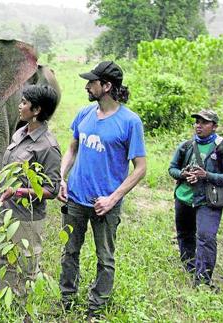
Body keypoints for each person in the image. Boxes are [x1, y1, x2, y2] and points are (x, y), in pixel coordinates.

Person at [57, 61, 147, 317]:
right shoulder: (84, 113)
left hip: (104, 203)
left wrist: (113, 198)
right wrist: (62, 177)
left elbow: (140, 168)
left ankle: (96, 307)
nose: (87, 86)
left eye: (92, 82)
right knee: (69, 251)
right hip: (75, 197)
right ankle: (67, 299)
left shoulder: (130, 122)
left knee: (105, 258)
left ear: (107, 86)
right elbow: (72, 148)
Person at [0, 84, 61, 311]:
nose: (19, 106)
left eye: (24, 103)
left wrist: (18, 192)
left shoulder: (48, 146)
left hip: (27, 217)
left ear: (37, 110)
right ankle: (4, 306)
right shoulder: (20, 133)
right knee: (4, 259)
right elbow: (16, 170)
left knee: (26, 264)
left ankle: (24, 311)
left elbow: (51, 190)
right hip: (7, 210)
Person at [168, 109, 223, 289]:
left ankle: (203, 281)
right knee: (185, 235)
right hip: (184, 198)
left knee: (206, 237)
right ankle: (190, 269)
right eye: (197, 122)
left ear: (214, 126)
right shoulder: (186, 146)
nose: (199, 125)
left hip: (208, 201)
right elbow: (172, 168)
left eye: (204, 122)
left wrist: (207, 175)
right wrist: (183, 174)